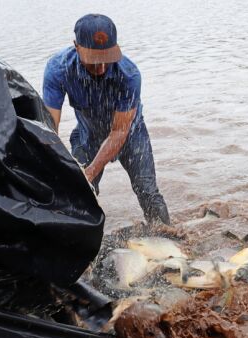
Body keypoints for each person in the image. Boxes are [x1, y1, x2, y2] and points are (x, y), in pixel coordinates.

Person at [43, 14, 170, 225]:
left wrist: (91, 171)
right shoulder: (58, 69)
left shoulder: (129, 75)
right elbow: (49, 128)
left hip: (131, 135)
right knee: (79, 194)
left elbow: (119, 132)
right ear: (76, 46)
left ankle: (171, 241)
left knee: (148, 192)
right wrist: (56, 168)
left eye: (107, 58)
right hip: (88, 135)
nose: (101, 67)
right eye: (93, 60)